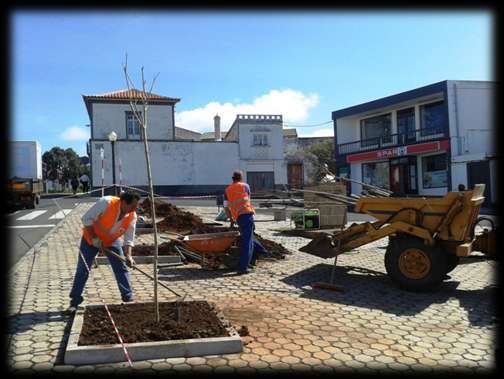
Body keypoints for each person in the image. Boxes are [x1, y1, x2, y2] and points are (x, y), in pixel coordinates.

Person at [65, 190, 140, 314]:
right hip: (90, 239)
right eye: (132, 206)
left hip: (111, 241)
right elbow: (86, 219)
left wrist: (129, 256)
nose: (134, 209)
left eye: (136, 206)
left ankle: (127, 295)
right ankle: (74, 301)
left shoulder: (132, 216)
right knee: (83, 269)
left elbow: (129, 238)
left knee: (121, 266)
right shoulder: (106, 202)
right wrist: (95, 239)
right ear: (123, 202)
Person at [224, 170, 268, 275]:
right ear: (241, 178)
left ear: (232, 178)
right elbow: (248, 199)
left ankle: (261, 250)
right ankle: (243, 267)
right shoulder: (245, 186)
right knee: (247, 241)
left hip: (238, 217)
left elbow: (226, 207)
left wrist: (231, 219)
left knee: (249, 236)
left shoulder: (227, 190)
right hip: (247, 215)